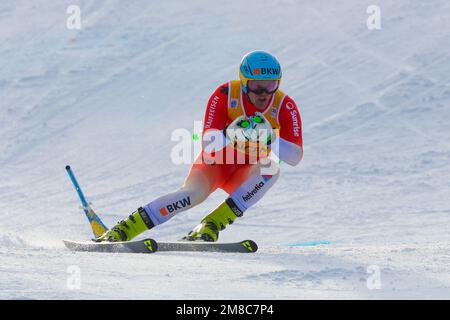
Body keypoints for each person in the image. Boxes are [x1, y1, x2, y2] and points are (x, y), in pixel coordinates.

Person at [97, 50, 303, 242]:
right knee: (192, 196)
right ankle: (124, 229)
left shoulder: (284, 105)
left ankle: (211, 224)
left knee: (271, 170)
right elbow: (208, 142)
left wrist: (270, 139)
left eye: (271, 85)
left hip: (246, 171)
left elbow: (295, 157)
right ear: (244, 81)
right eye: (257, 86)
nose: (264, 93)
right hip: (215, 164)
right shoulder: (226, 94)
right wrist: (230, 133)